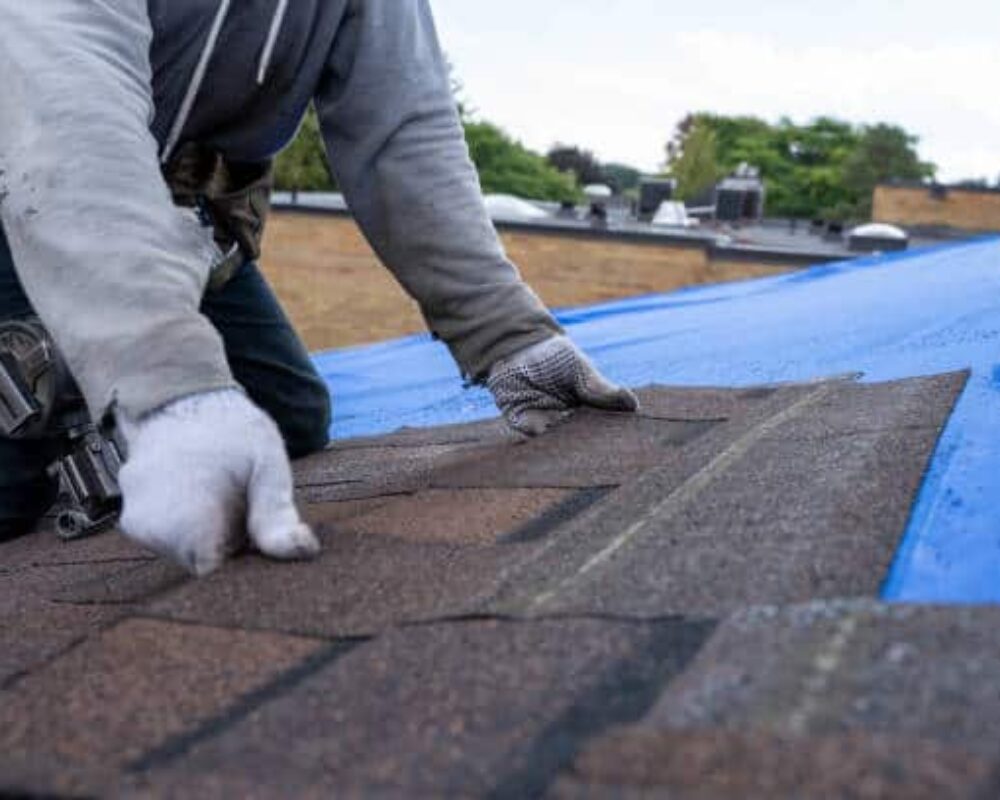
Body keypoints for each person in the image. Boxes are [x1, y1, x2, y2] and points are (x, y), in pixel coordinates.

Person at [0, 0, 638, 575]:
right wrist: (164, 388)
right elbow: (64, 112)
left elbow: (402, 126)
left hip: (181, 210)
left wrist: (509, 338)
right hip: (34, 188)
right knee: (13, 483)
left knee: (287, 417)